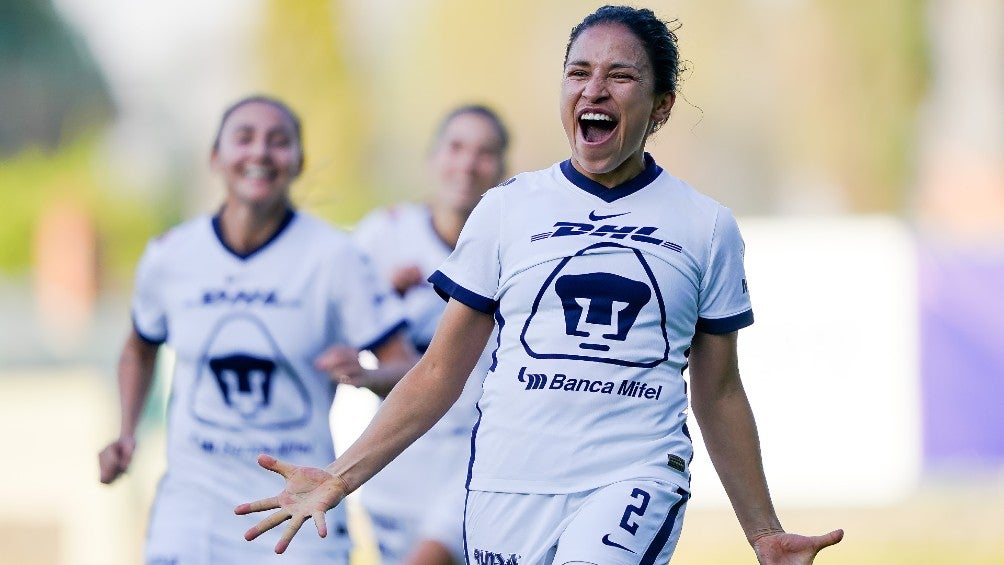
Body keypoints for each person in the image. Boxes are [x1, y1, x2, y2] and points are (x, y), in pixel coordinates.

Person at [235, 6, 845, 564]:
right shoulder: (506, 211)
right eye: (578, 71)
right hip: (507, 487)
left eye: (621, 75)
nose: (594, 89)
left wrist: (764, 531)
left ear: (662, 105)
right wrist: (340, 476)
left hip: (632, 476)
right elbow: (438, 373)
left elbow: (718, 391)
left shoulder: (705, 227)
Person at [97, 95, 418, 564]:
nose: (260, 153)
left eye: (278, 141)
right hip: (191, 512)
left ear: (298, 162)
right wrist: (126, 431)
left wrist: (367, 376)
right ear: (215, 156)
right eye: (244, 138)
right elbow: (138, 347)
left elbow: (409, 369)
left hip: (297, 510)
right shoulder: (171, 255)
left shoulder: (334, 257)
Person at [352, 105, 509, 565]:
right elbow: (338, 338)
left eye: (485, 152)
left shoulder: (518, 249)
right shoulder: (382, 236)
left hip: (475, 464)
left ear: (503, 169)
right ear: (432, 158)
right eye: (456, 147)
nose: (467, 164)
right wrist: (382, 303)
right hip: (394, 469)